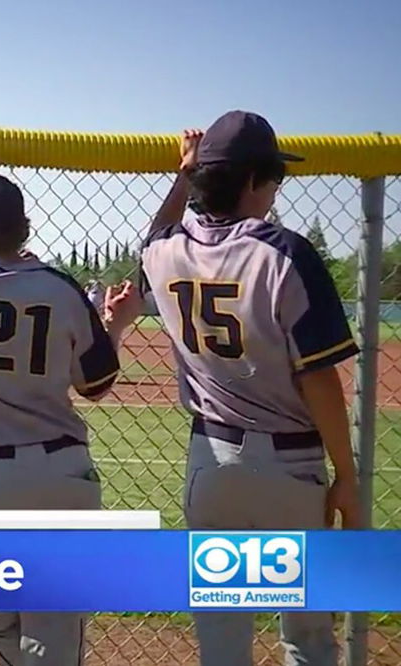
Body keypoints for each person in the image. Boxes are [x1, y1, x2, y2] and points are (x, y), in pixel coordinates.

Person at [141, 111, 361, 666]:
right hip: (289, 467)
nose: (275, 190)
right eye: (273, 177)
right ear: (250, 181)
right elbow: (319, 378)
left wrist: (182, 176)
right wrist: (348, 475)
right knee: (307, 638)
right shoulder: (285, 252)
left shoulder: (165, 252)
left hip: (210, 464)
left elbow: (153, 235)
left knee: (222, 641)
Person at [0, 174, 141, 665]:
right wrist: (115, 326)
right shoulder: (61, 287)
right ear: (25, 228)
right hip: (65, 470)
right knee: (53, 626)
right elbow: (95, 385)